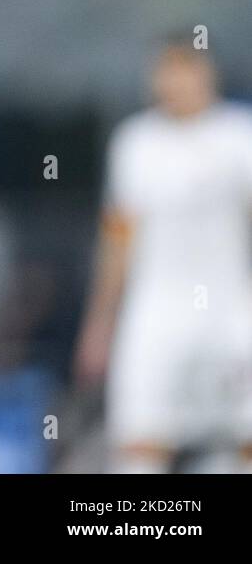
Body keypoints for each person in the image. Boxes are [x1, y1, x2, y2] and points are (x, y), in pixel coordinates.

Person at [75, 32, 252, 473]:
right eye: (164, 71)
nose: (173, 82)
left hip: (232, 311)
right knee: (140, 439)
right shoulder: (135, 143)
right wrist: (100, 324)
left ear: (206, 73)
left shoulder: (239, 137)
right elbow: (118, 239)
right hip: (155, 312)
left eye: (184, 69)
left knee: (240, 439)